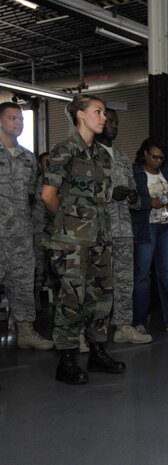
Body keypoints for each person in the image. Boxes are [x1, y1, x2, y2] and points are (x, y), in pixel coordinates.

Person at [42, 95, 125, 384]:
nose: (103, 117)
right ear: (79, 115)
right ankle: (66, 361)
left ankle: (97, 352)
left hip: (100, 239)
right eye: (98, 112)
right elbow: (48, 196)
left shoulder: (101, 155)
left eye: (103, 112)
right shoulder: (64, 151)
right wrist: (69, 225)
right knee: (71, 300)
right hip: (71, 243)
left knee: (101, 298)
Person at [95, 108, 151, 344]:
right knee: (97, 282)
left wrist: (132, 197)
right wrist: (110, 193)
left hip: (124, 229)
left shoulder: (123, 158)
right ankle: (90, 329)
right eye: (110, 122)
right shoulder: (88, 155)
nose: (114, 126)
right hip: (98, 230)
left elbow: (137, 197)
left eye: (117, 123)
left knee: (124, 280)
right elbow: (78, 193)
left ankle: (123, 327)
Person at [0, 102, 53, 350]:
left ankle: (26, 331)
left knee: (22, 284)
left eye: (20, 119)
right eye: (12, 118)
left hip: (21, 234)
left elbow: (31, 195)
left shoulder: (29, 159)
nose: (18, 123)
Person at [131, 138, 168, 334]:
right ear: (145, 153)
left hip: (166, 227)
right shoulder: (136, 172)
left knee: (167, 275)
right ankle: (138, 321)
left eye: (161, 158)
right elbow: (131, 199)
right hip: (146, 228)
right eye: (154, 157)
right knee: (142, 276)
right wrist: (149, 203)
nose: (158, 161)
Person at [31, 151, 55, 310]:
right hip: (38, 230)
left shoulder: (58, 182)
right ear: (40, 165)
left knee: (55, 268)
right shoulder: (34, 183)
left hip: (55, 232)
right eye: (45, 162)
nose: (48, 165)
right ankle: (36, 300)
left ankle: (58, 300)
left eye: (50, 162)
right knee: (38, 268)